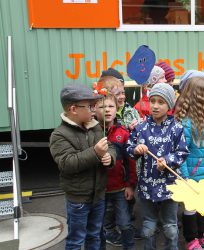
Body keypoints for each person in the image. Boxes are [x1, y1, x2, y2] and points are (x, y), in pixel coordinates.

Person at [49, 84, 116, 249]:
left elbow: (110, 147)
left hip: (98, 195)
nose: (94, 110)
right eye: (89, 106)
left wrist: (110, 157)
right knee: (76, 239)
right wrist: (96, 152)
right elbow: (67, 163)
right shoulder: (59, 135)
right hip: (78, 199)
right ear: (73, 109)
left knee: (94, 235)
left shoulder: (95, 127)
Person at [127, 83, 189, 250]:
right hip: (147, 186)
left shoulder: (176, 128)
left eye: (160, 102)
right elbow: (129, 147)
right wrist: (136, 150)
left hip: (170, 187)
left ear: (169, 105)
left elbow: (182, 152)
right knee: (148, 227)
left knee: (170, 227)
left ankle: (172, 247)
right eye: (152, 101)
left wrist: (168, 161)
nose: (155, 106)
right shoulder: (141, 127)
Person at [174, 77, 204, 250]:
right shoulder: (186, 124)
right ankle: (191, 239)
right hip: (191, 176)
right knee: (191, 209)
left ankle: (203, 235)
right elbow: (182, 154)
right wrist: (186, 177)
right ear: (199, 99)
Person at [95, 95, 137, 250]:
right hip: (99, 190)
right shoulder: (91, 133)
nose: (107, 110)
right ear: (93, 109)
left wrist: (130, 185)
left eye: (111, 106)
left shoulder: (123, 133)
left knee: (125, 223)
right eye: (101, 107)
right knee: (98, 225)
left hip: (120, 189)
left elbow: (130, 162)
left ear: (117, 109)